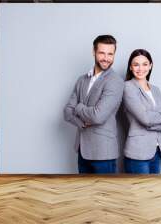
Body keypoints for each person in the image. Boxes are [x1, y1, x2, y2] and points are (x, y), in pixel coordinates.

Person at [63, 35, 124, 174]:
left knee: (104, 195)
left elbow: (98, 116)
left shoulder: (115, 81)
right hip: (82, 149)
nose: (106, 58)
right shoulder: (82, 80)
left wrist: (78, 107)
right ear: (94, 52)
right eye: (102, 53)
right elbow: (67, 112)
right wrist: (81, 123)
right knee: (84, 194)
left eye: (110, 54)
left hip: (103, 153)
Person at [122, 49, 161, 174]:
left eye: (145, 64)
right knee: (140, 192)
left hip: (157, 149)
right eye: (136, 64)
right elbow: (145, 118)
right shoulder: (127, 87)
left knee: (154, 191)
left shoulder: (156, 89)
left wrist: (150, 122)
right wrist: (159, 118)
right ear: (130, 67)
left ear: (150, 66)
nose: (140, 68)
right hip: (137, 152)